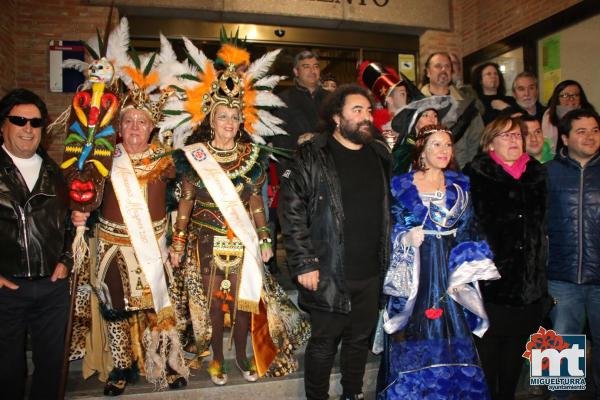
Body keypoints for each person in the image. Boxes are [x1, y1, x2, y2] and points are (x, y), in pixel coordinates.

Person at [165, 39, 309, 386]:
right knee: (215, 304)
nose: (229, 122)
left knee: (245, 302)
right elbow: (184, 203)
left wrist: (264, 239)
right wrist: (178, 243)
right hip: (204, 239)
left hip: (241, 240)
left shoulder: (251, 156)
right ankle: (216, 359)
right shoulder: (193, 157)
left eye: (234, 116)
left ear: (240, 119)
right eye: (222, 116)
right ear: (211, 119)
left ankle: (243, 354)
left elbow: (256, 204)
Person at [70, 34, 189, 395]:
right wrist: (79, 213)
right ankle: (121, 367)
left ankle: (166, 365)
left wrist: (179, 238)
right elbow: (82, 191)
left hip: (153, 244)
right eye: (128, 122)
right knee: (116, 310)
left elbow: (186, 196)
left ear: (153, 127)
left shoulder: (168, 161)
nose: (134, 127)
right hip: (110, 247)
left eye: (141, 122)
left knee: (158, 310)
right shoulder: (104, 159)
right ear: (118, 127)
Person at [279, 84, 391, 400]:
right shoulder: (312, 155)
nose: (366, 116)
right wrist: (303, 262)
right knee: (324, 342)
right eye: (357, 110)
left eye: (369, 110)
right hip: (327, 270)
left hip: (370, 270)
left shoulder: (380, 154)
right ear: (336, 118)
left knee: (359, 340)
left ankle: (352, 393)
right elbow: (291, 211)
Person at [378, 124, 498, 399]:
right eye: (436, 145)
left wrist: (464, 271)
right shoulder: (401, 185)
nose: (444, 151)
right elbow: (391, 225)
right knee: (414, 330)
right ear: (422, 150)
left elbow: (470, 229)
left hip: (448, 271)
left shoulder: (461, 185)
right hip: (417, 270)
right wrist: (404, 238)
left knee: (454, 329)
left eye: (448, 145)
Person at [463, 115, 550, 400]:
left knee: (514, 360)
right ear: (490, 143)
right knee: (488, 359)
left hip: (528, 287)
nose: (514, 140)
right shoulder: (475, 174)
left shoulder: (536, 173)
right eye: (506, 135)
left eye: (517, 135)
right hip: (491, 286)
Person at [0, 88, 72, 400]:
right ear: (3, 125)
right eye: (19, 120)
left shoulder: (56, 173)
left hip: (52, 289)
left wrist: (66, 260)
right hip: (6, 289)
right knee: (7, 370)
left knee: (52, 368)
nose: (28, 128)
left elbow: (69, 224)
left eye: (35, 122)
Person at [546, 108, 600, 400]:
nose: (590, 136)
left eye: (594, 130)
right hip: (560, 276)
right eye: (581, 131)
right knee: (561, 345)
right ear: (565, 138)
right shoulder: (546, 173)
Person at [421, 52, 484, 168]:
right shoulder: (414, 105)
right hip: (424, 175)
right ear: (428, 72)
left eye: (447, 66)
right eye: (438, 66)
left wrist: (467, 173)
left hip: (461, 173)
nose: (443, 69)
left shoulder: (467, 105)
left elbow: (477, 141)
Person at [271, 50, 328, 163]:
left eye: (316, 66)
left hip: (328, 164)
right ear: (296, 71)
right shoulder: (282, 100)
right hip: (296, 165)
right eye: (306, 67)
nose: (312, 71)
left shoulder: (332, 99)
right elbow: (278, 139)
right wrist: (298, 141)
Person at [542, 79, 596, 153]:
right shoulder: (546, 118)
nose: (571, 99)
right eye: (565, 95)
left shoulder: (592, 118)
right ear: (557, 98)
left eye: (575, 95)